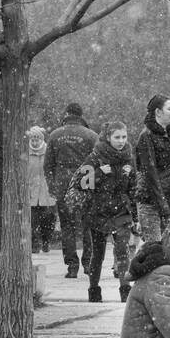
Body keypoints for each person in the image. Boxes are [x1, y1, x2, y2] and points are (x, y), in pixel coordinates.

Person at [71, 121, 137, 303]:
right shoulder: (95, 157)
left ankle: (125, 289)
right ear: (108, 138)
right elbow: (80, 183)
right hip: (98, 211)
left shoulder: (129, 158)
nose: (121, 141)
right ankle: (93, 289)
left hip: (121, 211)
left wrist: (136, 215)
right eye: (117, 137)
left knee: (122, 251)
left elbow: (133, 189)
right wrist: (99, 173)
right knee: (98, 253)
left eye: (124, 137)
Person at [44, 102, 97, 277]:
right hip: (85, 180)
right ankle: (88, 264)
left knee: (67, 226)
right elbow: (98, 162)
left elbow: (48, 165)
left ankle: (72, 266)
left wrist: (52, 186)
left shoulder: (54, 135)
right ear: (81, 115)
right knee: (88, 225)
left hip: (62, 182)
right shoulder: (91, 136)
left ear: (67, 114)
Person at [134, 94, 170, 246]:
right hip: (150, 203)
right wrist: (163, 206)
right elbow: (150, 173)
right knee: (154, 249)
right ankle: (137, 269)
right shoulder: (146, 136)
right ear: (158, 112)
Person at [25, 125, 57, 254]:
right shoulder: (26, 153)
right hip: (31, 192)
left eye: (37, 139)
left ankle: (46, 240)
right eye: (32, 139)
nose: (35, 142)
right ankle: (34, 245)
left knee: (48, 221)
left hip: (47, 192)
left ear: (42, 139)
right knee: (32, 222)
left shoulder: (49, 152)